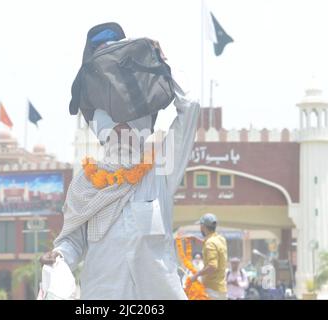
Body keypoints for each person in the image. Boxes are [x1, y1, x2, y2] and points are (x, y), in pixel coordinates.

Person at [39, 24, 200, 300]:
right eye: (114, 125)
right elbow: (72, 241)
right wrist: (61, 255)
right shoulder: (84, 186)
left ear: (144, 129)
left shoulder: (162, 171)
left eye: (129, 123)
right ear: (102, 132)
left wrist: (165, 65)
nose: (122, 130)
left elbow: (192, 105)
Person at [189, 213, 228, 300]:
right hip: (221, 289)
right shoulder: (221, 239)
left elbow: (212, 266)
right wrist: (201, 241)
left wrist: (196, 275)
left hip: (212, 291)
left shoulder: (209, 243)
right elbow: (215, 247)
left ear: (203, 226)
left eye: (200, 225)